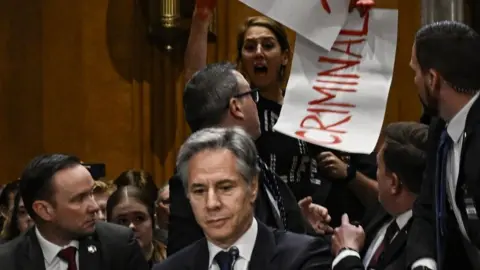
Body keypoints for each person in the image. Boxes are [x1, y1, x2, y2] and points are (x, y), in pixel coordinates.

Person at [184, 0, 379, 229]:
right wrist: (201, 19)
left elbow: (341, 72)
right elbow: (197, 89)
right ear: (242, 60)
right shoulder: (240, 110)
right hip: (265, 225)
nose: (259, 53)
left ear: (285, 56)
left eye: (268, 45)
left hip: (325, 226)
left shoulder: (315, 105)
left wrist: (350, 21)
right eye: (250, 47)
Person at [167, 62, 331, 255]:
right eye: (252, 96)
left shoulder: (254, 164)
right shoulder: (193, 179)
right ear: (236, 107)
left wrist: (293, 217)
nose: (256, 103)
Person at [155, 127, 332, 270]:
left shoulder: (304, 257)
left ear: (253, 186)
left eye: (225, 188)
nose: (211, 204)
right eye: (199, 191)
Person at [406, 21, 480, 270]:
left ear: (433, 79)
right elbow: (426, 207)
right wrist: (423, 264)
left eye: (415, 72)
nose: (414, 81)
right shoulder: (441, 126)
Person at [0, 154, 149, 270]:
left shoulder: (119, 245)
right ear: (44, 210)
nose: (94, 207)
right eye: (79, 199)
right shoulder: (7, 262)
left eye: (91, 193)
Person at [331, 122, 429, 270]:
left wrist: (346, 254)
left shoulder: (422, 248)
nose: (376, 174)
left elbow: (348, 251)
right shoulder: (387, 209)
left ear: (394, 183)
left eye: (379, 167)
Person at [107, 186, 167, 267]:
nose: (131, 226)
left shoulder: (175, 262)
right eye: (122, 221)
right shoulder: (98, 264)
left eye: (139, 218)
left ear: (153, 221)